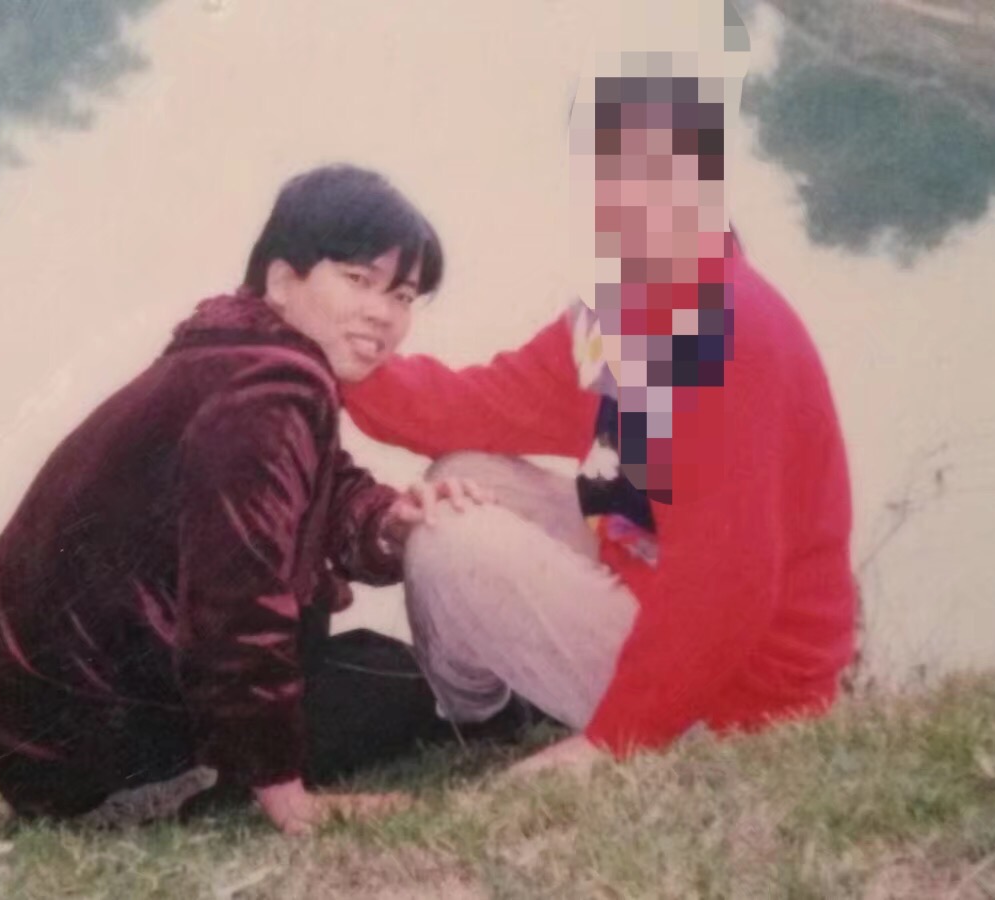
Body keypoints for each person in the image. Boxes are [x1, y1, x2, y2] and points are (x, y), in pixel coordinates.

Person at [342, 57, 858, 776]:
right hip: (650, 578)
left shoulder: (728, 334)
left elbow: (727, 585)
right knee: (464, 474)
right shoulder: (631, 307)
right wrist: (339, 355)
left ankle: (487, 726)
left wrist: (614, 740)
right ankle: (481, 720)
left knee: (445, 537)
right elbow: (473, 408)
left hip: (744, 700)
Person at [0, 164, 493, 834]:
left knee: (379, 667)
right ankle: (180, 788)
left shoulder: (242, 358)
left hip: (43, 729)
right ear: (282, 281)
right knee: (403, 692)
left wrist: (388, 524)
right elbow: (238, 599)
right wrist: (287, 797)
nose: (384, 314)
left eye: (402, 295)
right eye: (358, 279)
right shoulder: (265, 391)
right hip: (104, 748)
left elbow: (322, 487)